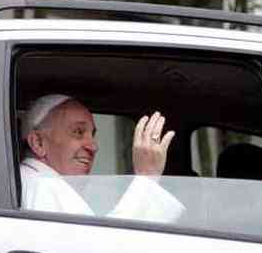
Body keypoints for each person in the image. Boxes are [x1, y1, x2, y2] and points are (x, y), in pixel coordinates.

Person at [19, 94, 185, 223]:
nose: (93, 146)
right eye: (78, 132)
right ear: (38, 143)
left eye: (92, 134)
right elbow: (105, 249)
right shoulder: (42, 186)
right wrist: (146, 176)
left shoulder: (36, 181)